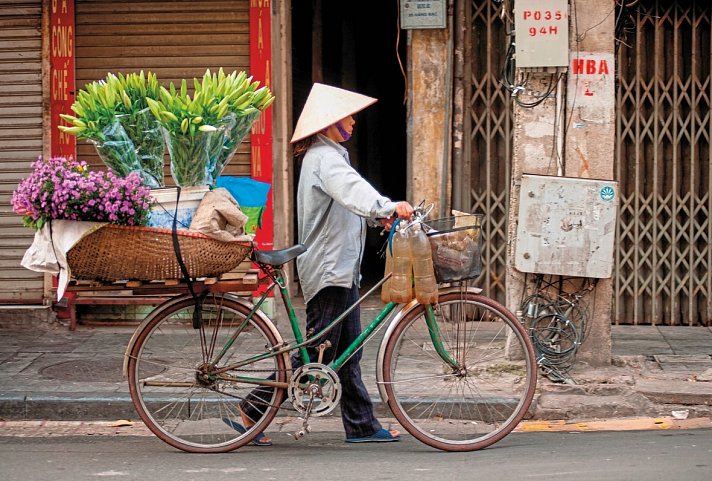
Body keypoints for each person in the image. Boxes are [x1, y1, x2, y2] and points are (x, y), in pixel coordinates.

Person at [234, 83, 414, 445]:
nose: (352, 122)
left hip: (340, 268)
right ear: (331, 122)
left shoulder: (329, 155)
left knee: (347, 352)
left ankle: (361, 425)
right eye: (348, 116)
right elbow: (352, 190)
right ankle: (252, 411)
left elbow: (343, 205)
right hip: (330, 269)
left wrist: (375, 218)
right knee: (316, 354)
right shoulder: (324, 158)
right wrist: (387, 206)